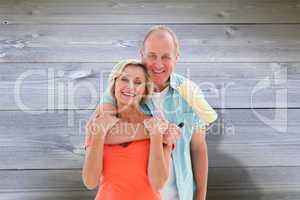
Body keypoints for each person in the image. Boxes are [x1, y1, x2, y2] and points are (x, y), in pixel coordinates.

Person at [92, 26, 217, 200]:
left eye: (166, 57)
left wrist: (201, 197)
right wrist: (156, 132)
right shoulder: (124, 89)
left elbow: (198, 148)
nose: (158, 64)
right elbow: (101, 132)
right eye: (152, 56)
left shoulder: (190, 92)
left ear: (176, 58)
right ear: (141, 54)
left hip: (180, 193)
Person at [82, 60, 181, 200]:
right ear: (114, 84)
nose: (130, 86)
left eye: (138, 82)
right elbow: (90, 182)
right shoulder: (99, 124)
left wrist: (156, 135)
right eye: (124, 79)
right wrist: (98, 135)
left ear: (145, 90)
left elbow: (158, 183)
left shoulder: (158, 125)